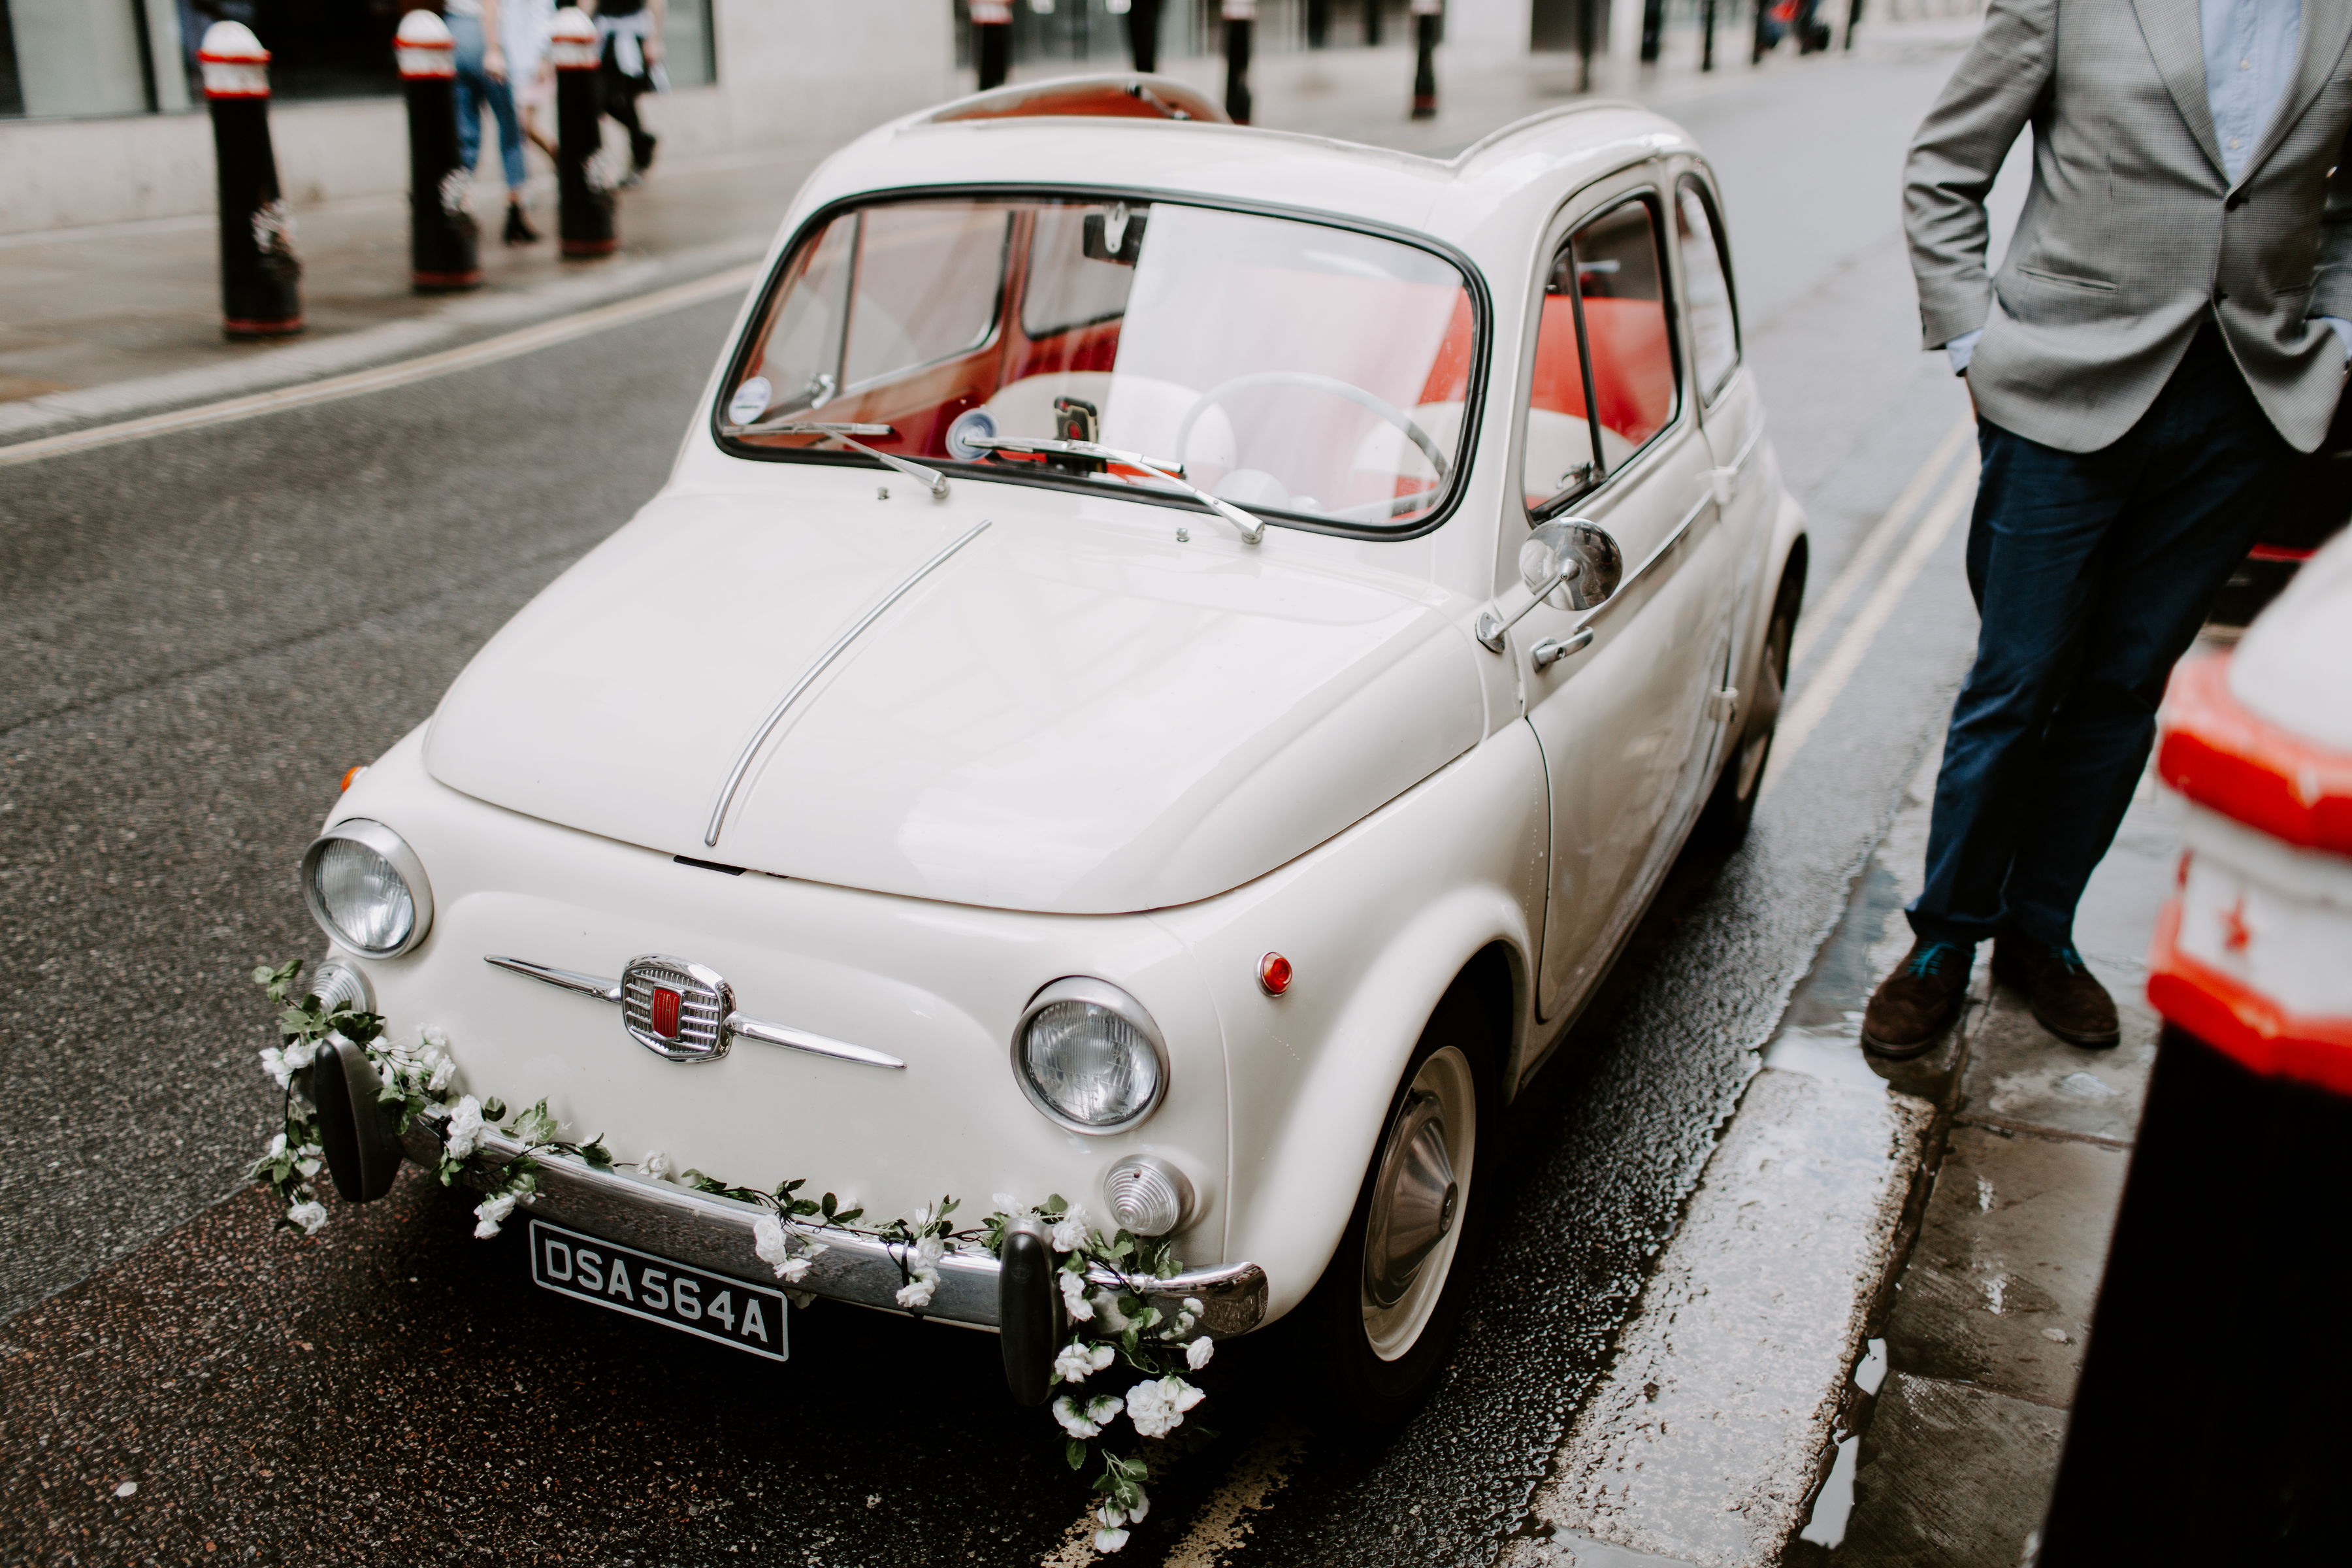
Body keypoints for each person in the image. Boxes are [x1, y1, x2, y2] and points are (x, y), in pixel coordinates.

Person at [1867, 0, 2352, 1058]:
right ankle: (1945, 939)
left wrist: (2339, 336)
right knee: (2017, 681)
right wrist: (1973, 346)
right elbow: (1946, 168)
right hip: (2057, 398)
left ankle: (2041, 934)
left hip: (2241, 413)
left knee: (2125, 688)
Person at [447, 0, 539, 244]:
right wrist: (494, 49)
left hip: (454, 30)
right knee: (510, 129)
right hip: (484, 32)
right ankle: (516, 210)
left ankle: (459, 207)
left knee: (466, 129)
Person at [584, 0, 664, 186]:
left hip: (632, 37)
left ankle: (640, 156)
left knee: (626, 100)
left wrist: (655, 40)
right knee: (599, 101)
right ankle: (642, 144)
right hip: (605, 38)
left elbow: (657, 3)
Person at [503, 0, 560, 166]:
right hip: (517, 61)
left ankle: (563, 161)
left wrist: (544, 56)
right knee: (522, 126)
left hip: (533, 63)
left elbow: (544, 17)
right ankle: (561, 163)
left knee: (524, 124)